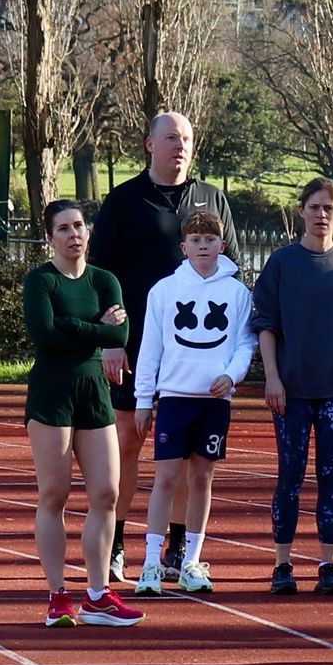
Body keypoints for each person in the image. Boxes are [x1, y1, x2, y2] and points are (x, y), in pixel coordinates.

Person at [90, 112, 240, 585]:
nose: (180, 145)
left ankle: (177, 550)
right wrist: (111, 341)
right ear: (149, 144)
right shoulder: (124, 200)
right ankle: (116, 544)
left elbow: (233, 271)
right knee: (129, 441)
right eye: (171, 137)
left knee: (190, 457)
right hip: (136, 344)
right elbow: (100, 275)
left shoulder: (211, 198)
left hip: (197, 354)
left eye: (187, 138)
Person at [254, 178, 333, 598]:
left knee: (331, 475)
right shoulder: (281, 263)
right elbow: (266, 324)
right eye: (314, 207)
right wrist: (272, 376)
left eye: (329, 208)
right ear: (302, 211)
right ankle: (282, 563)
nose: (321, 215)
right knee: (289, 475)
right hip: (291, 388)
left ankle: (328, 563)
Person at [23, 199, 144, 628]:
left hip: (94, 391)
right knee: (54, 493)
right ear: (49, 237)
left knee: (107, 493)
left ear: (87, 232)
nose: (73, 234)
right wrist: (95, 328)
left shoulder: (105, 281)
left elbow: (120, 334)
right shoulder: (41, 281)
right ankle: (58, 595)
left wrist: (73, 325)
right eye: (63, 228)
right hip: (52, 393)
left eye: (78, 226)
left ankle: (97, 595)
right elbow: (44, 334)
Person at [131, 211, 256, 597]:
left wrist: (231, 376)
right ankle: (151, 563)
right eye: (196, 240)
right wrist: (143, 399)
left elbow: (245, 343)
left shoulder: (237, 293)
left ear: (222, 245)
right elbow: (150, 346)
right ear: (184, 247)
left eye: (210, 239)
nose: (203, 246)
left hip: (214, 403)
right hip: (174, 398)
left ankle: (190, 561)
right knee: (167, 479)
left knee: (201, 479)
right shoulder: (164, 291)